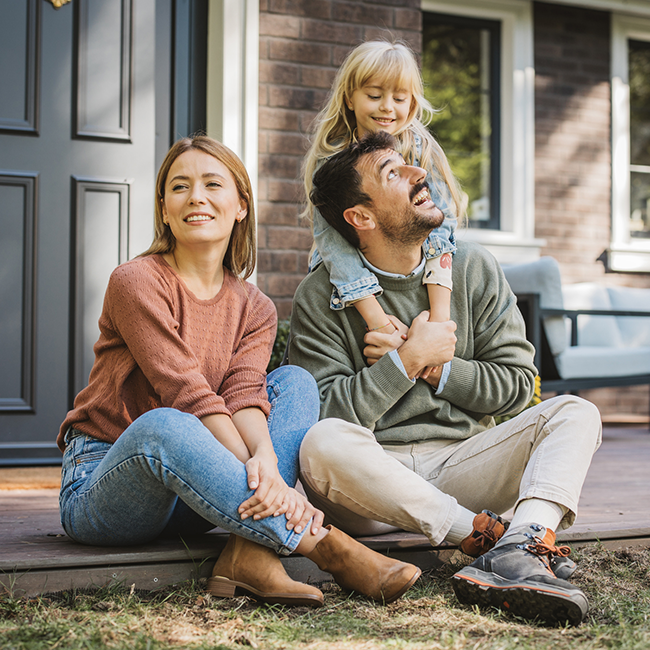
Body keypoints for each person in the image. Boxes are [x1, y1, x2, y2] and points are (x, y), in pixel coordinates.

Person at [57, 135, 421, 608]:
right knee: (168, 424)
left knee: (295, 383)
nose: (196, 198)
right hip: (107, 486)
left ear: (240, 206)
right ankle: (329, 548)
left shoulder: (254, 306)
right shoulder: (136, 281)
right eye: (180, 187)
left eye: (212, 184)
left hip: (199, 491)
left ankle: (248, 553)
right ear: (164, 209)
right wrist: (265, 476)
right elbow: (185, 391)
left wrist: (266, 461)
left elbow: (244, 394)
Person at [289, 131, 602, 626]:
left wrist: (439, 367)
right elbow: (321, 411)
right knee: (321, 441)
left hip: (463, 463)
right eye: (393, 173)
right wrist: (404, 362)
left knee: (575, 412)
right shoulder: (320, 294)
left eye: (409, 164)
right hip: (370, 480)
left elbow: (519, 384)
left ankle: (522, 541)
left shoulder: (474, 267)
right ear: (361, 217)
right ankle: (481, 538)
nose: (419, 174)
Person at [303, 40, 460, 368]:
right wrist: (380, 324)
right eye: (374, 96)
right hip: (351, 280)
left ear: (412, 102)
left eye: (399, 98)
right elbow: (335, 250)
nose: (387, 107)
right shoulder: (330, 162)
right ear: (350, 97)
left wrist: (438, 322)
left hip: (420, 273)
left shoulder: (420, 151)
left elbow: (441, 226)